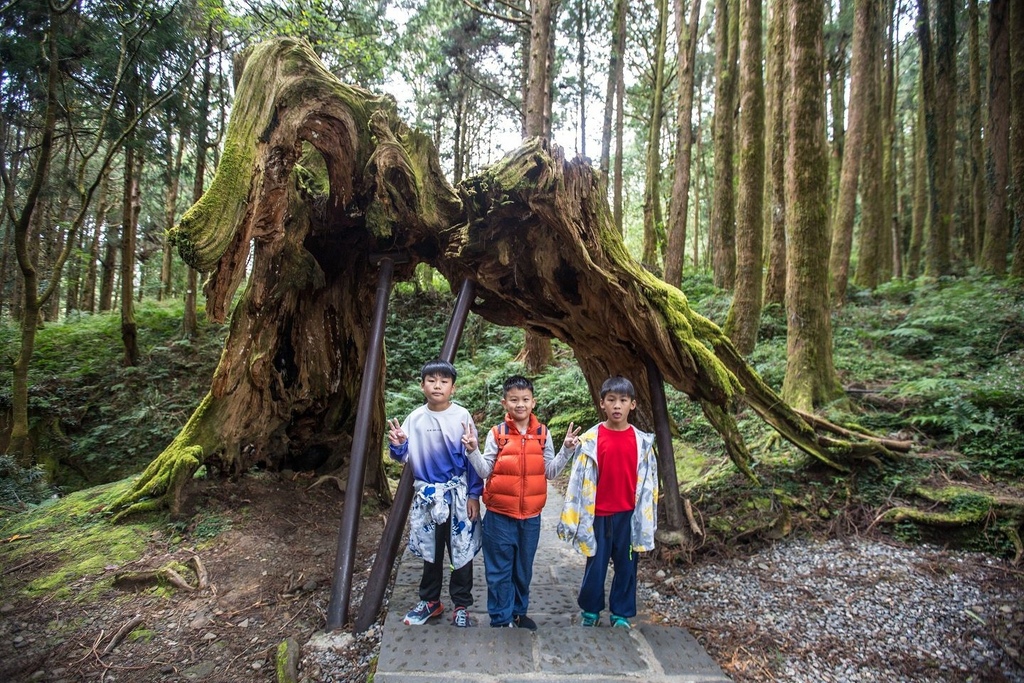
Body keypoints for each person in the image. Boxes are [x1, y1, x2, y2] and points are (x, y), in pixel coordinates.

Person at [462, 375, 581, 629]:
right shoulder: (498, 434)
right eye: (514, 400)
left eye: (525, 399)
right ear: (504, 402)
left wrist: (567, 450)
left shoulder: (542, 434)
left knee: (523, 569)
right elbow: (484, 471)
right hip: (499, 516)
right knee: (498, 572)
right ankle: (500, 618)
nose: (520, 404)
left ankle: (518, 612)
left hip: (530, 518)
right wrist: (472, 450)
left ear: (533, 402)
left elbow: (550, 472)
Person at [556, 375, 658, 629]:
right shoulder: (591, 440)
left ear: (632, 405)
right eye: (611, 400)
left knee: (627, 566)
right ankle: (590, 611)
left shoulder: (642, 442)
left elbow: (649, 483)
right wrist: (574, 515)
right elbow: (578, 481)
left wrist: (647, 518)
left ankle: (620, 613)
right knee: (596, 564)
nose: (617, 406)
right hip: (598, 514)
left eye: (623, 400)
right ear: (602, 403)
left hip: (628, 515)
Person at [387, 359, 483, 628]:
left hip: (458, 495)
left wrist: (474, 494)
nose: (437, 386)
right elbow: (402, 455)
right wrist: (397, 444)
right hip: (429, 496)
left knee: (460, 551)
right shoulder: (415, 418)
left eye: (444, 381)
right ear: (422, 386)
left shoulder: (462, 416)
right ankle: (430, 601)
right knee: (431, 550)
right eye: (431, 381)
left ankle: (461, 604)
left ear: (453, 387)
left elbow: (472, 456)